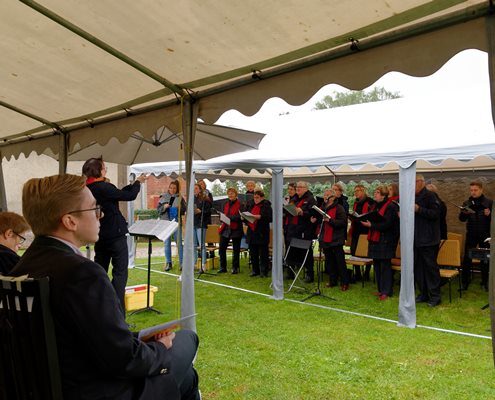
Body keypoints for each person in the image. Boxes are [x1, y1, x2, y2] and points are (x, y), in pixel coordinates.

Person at [10, 174, 200, 400]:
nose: (102, 215)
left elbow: (80, 335)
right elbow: (123, 360)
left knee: (186, 377)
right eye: (94, 209)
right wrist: (161, 347)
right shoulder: (81, 273)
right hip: (100, 390)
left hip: (51, 386)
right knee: (187, 338)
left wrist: (138, 338)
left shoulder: (21, 266)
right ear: (70, 221)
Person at [83, 157, 145, 314]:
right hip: (115, 235)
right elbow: (128, 196)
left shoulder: (86, 189)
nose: (105, 170)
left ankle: (99, 307)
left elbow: (117, 194)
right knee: (120, 274)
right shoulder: (103, 187)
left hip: (99, 235)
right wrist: (137, 183)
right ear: (98, 170)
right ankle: (118, 313)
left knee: (100, 272)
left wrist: (132, 185)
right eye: (104, 168)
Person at [361, 185, 400, 300]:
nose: (375, 194)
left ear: (383, 195)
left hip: (386, 240)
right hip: (375, 239)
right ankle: (380, 289)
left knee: (385, 267)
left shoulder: (391, 206)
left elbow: (388, 224)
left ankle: (387, 291)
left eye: (378, 192)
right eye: (375, 192)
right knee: (377, 265)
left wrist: (371, 225)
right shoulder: (375, 206)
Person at [458, 180, 493, 291]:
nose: (473, 192)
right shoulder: (466, 203)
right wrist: (464, 213)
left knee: (485, 259)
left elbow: (494, 220)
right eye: (471, 190)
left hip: (485, 234)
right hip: (471, 234)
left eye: (475, 190)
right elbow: (461, 219)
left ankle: (485, 282)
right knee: (467, 259)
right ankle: (465, 282)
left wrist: (490, 214)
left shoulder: (489, 202)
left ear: (481, 190)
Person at [312, 188, 349, 290]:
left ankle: (344, 282)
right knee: (329, 261)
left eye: (327, 195)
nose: (325, 196)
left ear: (333, 197)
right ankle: (333, 281)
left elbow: (343, 223)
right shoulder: (322, 208)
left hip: (336, 239)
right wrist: (315, 220)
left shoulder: (339, 208)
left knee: (340, 262)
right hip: (325, 238)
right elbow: (321, 221)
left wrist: (330, 220)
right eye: (324, 194)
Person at [414, 175, 442, 307]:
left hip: (429, 239)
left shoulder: (430, 196)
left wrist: (419, 209)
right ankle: (423, 293)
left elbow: (436, 214)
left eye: (414, 182)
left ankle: (435, 296)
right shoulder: (412, 196)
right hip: (416, 238)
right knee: (419, 268)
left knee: (430, 268)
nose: (412, 185)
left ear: (421, 182)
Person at [157, 180, 187, 271]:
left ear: (177, 189)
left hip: (176, 223)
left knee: (179, 244)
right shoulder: (163, 197)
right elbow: (158, 210)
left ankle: (182, 263)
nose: (172, 190)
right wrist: (164, 207)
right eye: (171, 188)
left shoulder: (180, 198)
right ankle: (168, 263)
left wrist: (180, 208)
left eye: (174, 188)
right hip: (166, 223)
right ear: (168, 188)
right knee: (167, 244)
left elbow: (184, 210)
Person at [243, 190, 272, 277]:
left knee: (263, 253)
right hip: (252, 231)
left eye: (257, 197)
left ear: (262, 197)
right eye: (254, 197)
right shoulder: (250, 205)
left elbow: (270, 218)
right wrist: (244, 217)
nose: (255, 199)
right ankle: (255, 270)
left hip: (261, 231)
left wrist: (259, 217)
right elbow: (246, 215)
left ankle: (264, 271)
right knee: (253, 253)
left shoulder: (266, 206)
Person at [348, 184, 374, 282]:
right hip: (356, 230)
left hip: (366, 231)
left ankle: (366, 274)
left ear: (363, 191)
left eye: (358, 190)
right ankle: (357, 274)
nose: (356, 193)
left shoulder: (370, 201)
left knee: (366, 253)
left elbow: (372, 215)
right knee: (354, 252)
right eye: (355, 191)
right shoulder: (356, 202)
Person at [292, 181, 317, 283]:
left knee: (307, 252)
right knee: (298, 252)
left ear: (306, 188)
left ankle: (309, 274)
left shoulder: (311, 199)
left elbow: (313, 213)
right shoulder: (295, 198)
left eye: (300, 187)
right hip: (296, 228)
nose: (298, 188)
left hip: (306, 229)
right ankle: (299, 272)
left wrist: (302, 212)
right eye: (297, 187)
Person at [218, 187, 243, 274]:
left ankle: (235, 268)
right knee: (222, 248)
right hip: (225, 228)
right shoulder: (225, 203)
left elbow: (241, 217)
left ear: (236, 194)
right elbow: (222, 214)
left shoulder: (240, 204)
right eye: (229, 193)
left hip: (236, 228)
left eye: (232, 193)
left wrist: (229, 218)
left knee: (236, 249)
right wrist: (222, 218)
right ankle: (223, 267)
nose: (230, 195)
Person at [193, 183, 211, 270]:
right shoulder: (192, 199)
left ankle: (203, 264)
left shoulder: (205, 199)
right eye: (193, 188)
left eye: (196, 188)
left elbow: (208, 212)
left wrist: (200, 211)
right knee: (194, 245)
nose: (194, 190)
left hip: (201, 224)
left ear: (200, 189)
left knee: (202, 245)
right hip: (193, 223)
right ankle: (195, 263)